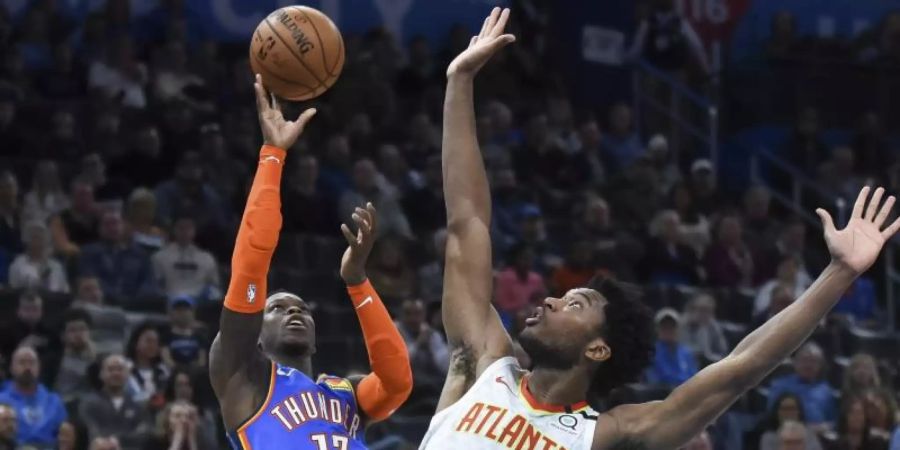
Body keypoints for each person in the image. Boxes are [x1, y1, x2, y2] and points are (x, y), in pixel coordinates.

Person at [418, 8, 900, 450]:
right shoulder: (482, 363)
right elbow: (467, 222)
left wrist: (838, 273)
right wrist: (459, 83)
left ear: (598, 348)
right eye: (566, 297)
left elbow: (740, 369)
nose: (550, 299)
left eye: (574, 304)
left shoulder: (610, 434)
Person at [208, 75, 412, 450]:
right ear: (255, 333)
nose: (294, 312)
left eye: (301, 308)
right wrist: (273, 154)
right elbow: (252, 262)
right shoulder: (244, 376)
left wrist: (357, 281)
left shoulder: (345, 394)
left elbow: (397, 382)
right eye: (277, 308)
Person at [78, 354, 151, 450]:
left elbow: (143, 435)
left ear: (127, 374)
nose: (116, 373)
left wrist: (117, 438)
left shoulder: (138, 404)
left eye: (120, 369)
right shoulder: (89, 403)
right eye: (111, 369)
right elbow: (93, 433)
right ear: (101, 374)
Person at [0, 347, 67, 448]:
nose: (27, 367)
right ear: (11, 368)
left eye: (32, 362)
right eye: (22, 362)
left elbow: (65, 437)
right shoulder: (1, 401)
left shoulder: (54, 401)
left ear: (39, 368)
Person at [767, 343, 837, 427]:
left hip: (817, 436)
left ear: (821, 365)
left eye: (813, 361)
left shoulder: (826, 390)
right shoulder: (780, 385)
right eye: (805, 360)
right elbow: (772, 417)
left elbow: (832, 421)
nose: (808, 365)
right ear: (795, 362)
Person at [8, 221, 70, 293]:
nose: (37, 242)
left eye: (41, 238)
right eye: (34, 237)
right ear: (27, 241)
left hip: (53, 301)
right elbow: (13, 290)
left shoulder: (56, 266)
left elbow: (64, 291)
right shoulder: (18, 264)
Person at [646, 308, 698, 387]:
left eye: (672, 327)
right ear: (657, 329)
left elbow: (694, 377)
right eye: (664, 327)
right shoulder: (651, 352)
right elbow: (653, 379)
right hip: (662, 395)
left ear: (678, 329)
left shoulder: (687, 353)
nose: (668, 330)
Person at [125, 323, 170, 408]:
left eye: (156, 342)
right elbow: (131, 395)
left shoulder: (163, 370)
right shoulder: (125, 368)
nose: (153, 346)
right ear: (136, 342)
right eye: (149, 341)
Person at [758, 394, 823, 450]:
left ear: (799, 411)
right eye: (784, 409)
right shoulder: (768, 437)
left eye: (792, 408)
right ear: (777, 412)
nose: (788, 413)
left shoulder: (809, 434)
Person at [160, 295, 207, 369]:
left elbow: (202, 361)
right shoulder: (166, 336)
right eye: (179, 310)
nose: (182, 313)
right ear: (171, 313)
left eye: (186, 309)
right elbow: (167, 360)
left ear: (193, 313)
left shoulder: (200, 336)